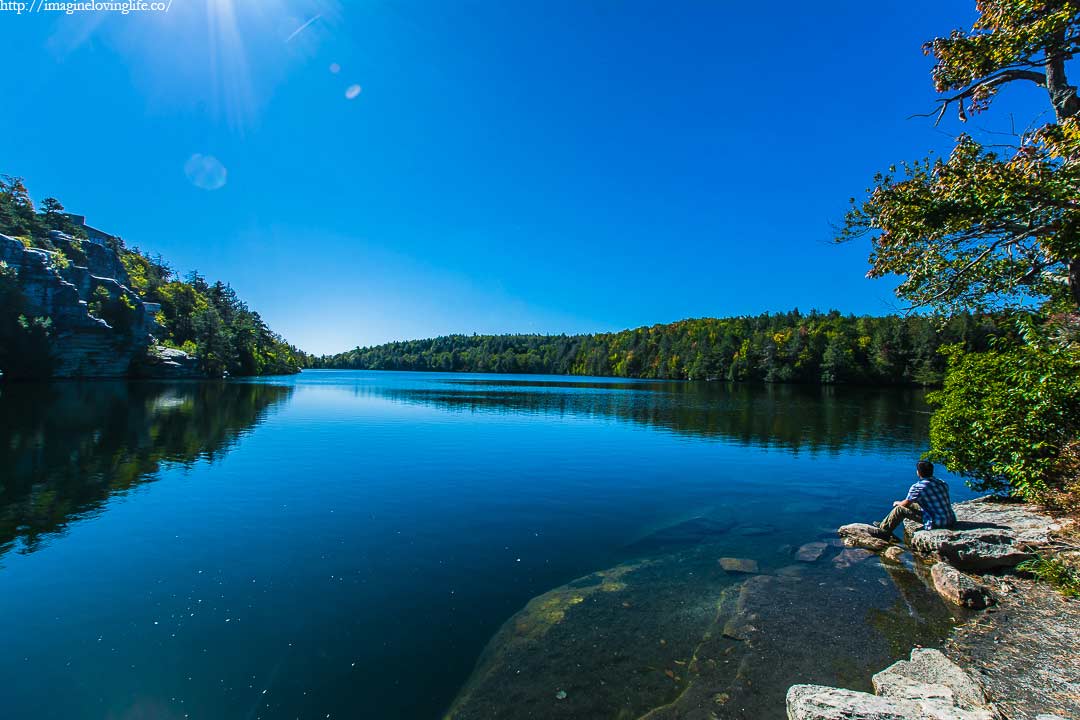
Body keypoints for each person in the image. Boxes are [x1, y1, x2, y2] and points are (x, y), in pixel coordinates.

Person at [876, 460, 956, 535]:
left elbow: (905, 504)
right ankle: (884, 523)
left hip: (937, 522)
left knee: (899, 509)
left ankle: (884, 531)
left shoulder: (918, 487)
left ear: (918, 472)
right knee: (913, 504)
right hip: (951, 519)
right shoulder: (941, 482)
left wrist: (898, 503)